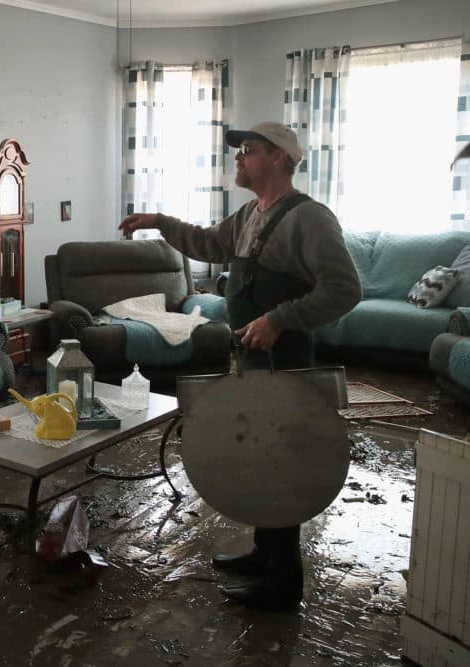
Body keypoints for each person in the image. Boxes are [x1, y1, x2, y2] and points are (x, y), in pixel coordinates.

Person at [119, 121, 362, 611]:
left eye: (247, 150)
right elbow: (209, 244)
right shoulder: (249, 213)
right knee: (259, 450)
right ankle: (263, 555)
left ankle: (283, 582)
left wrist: (278, 318)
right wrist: (159, 222)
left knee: (283, 460)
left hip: (286, 359)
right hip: (252, 357)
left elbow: (344, 289)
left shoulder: (310, 219)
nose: (237, 158)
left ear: (279, 158)